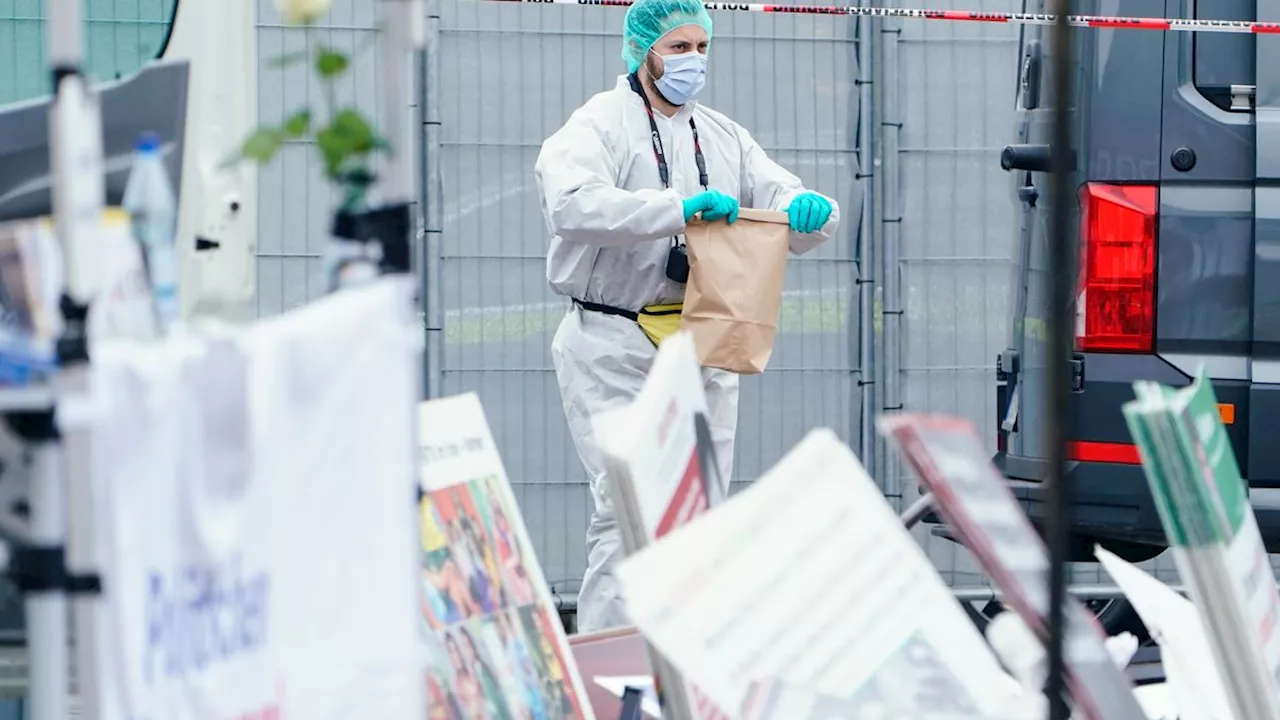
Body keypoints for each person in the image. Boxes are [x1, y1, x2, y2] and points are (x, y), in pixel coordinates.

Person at [533, 0, 841, 634]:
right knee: (630, 510)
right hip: (613, 338)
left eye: (701, 46)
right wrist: (675, 209)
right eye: (678, 47)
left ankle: (681, 672)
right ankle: (607, 671)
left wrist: (808, 208)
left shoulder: (722, 134)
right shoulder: (601, 124)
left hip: (704, 340)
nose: (692, 60)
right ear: (642, 49)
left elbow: (789, 198)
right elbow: (571, 204)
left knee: (697, 517)